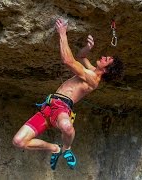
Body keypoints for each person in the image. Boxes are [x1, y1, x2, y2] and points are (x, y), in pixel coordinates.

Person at [12, 19, 124, 170]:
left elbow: (68, 61)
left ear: (107, 70)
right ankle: (55, 149)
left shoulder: (92, 79)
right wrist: (87, 48)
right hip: (48, 108)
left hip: (62, 108)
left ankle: (67, 148)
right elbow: (81, 57)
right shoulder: (92, 71)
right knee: (18, 142)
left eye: (107, 60)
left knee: (67, 126)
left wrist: (62, 33)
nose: (104, 56)